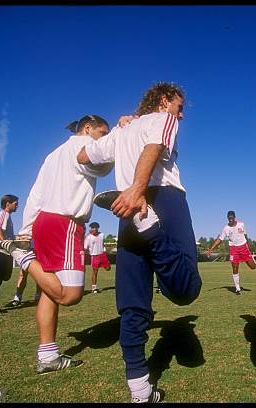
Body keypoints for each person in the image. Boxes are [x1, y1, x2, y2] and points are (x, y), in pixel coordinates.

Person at [77, 82, 202, 403]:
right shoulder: (163, 119)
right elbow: (155, 147)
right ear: (164, 100)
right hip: (158, 200)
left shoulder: (122, 131)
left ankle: (140, 391)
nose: (181, 113)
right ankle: (152, 229)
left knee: (133, 304)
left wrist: (116, 138)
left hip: (125, 209)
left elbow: (83, 154)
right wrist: (137, 190)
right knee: (186, 290)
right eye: (179, 105)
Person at [1, 114, 114, 374]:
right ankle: (23, 257)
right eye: (103, 132)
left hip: (44, 221)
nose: (105, 138)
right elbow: (103, 163)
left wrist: (27, 230)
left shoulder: (53, 155)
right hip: (65, 224)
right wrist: (124, 133)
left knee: (49, 293)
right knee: (70, 295)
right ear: (88, 128)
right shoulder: (79, 147)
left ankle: (48, 356)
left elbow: (35, 194)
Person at [206, 211, 256, 295]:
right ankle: (237, 289)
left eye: (232, 218)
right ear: (227, 218)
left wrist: (248, 246)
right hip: (233, 249)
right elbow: (220, 239)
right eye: (229, 218)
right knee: (235, 268)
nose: (230, 220)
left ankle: (252, 258)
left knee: (253, 267)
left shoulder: (241, 224)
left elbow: (246, 236)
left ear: (234, 217)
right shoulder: (226, 228)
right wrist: (211, 249)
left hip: (243, 247)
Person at [84, 222, 112, 293]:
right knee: (95, 272)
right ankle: (94, 288)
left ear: (98, 228)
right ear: (91, 229)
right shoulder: (88, 237)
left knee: (108, 268)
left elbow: (102, 243)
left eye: (96, 227)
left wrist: (104, 250)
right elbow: (85, 248)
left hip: (102, 255)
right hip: (94, 256)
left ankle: (105, 265)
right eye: (93, 227)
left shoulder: (102, 235)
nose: (94, 229)